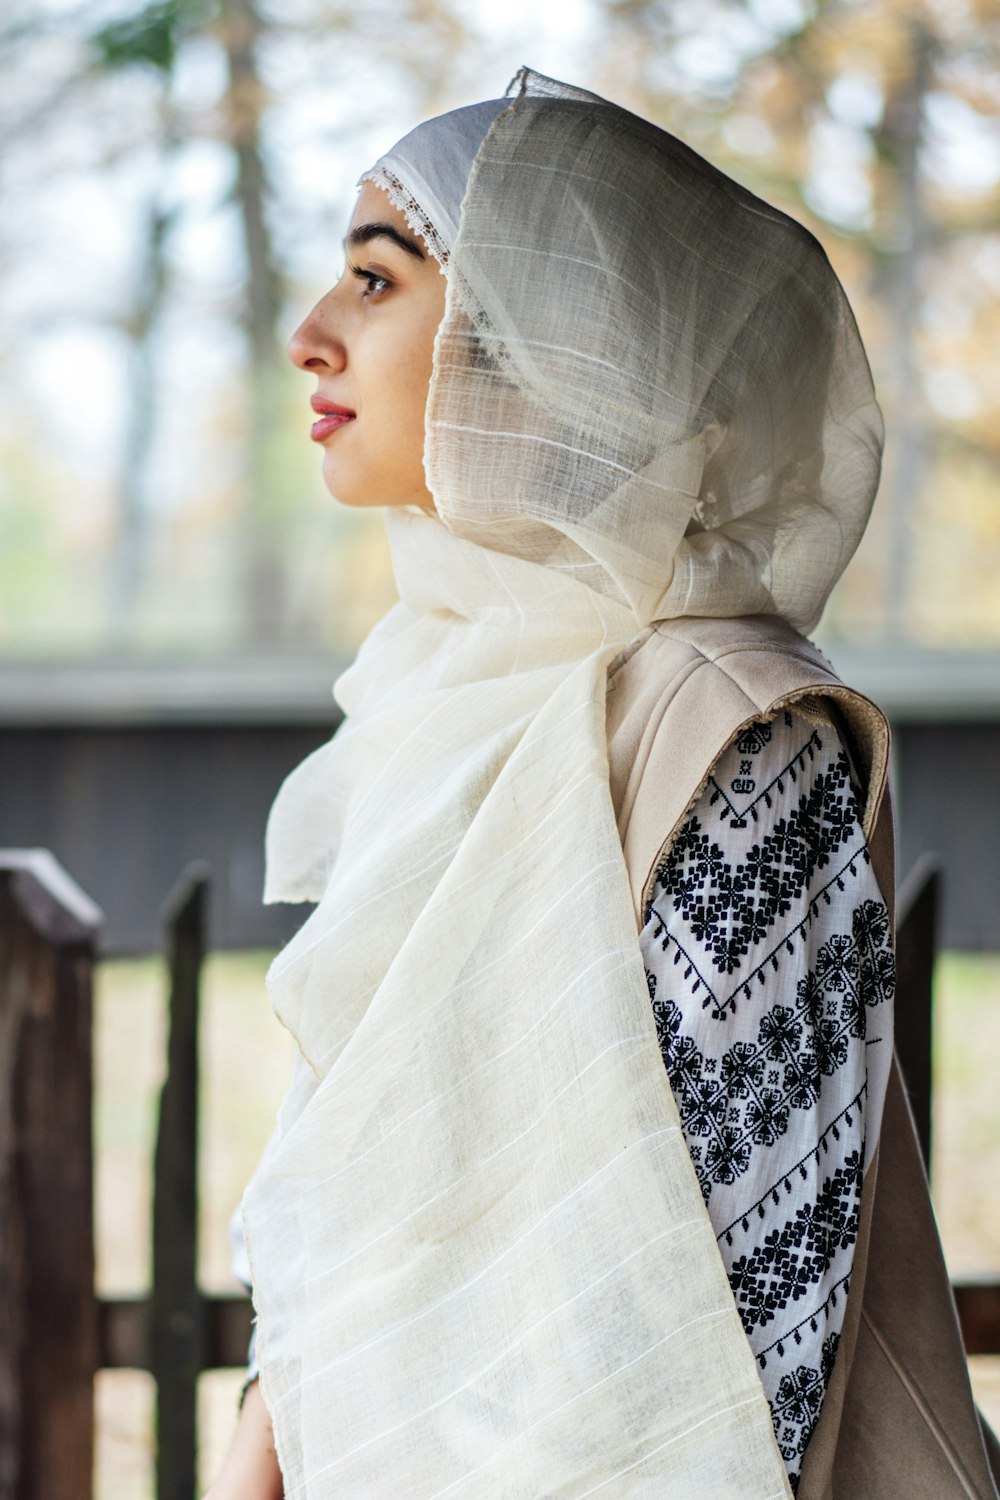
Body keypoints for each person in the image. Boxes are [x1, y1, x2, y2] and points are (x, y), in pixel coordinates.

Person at [205, 67, 999, 1500]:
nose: (308, 337)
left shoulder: (737, 728)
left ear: (538, 346)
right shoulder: (441, 698)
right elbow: (349, 1198)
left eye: (377, 284)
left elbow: (752, 1308)